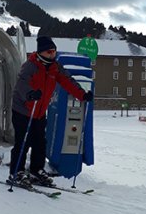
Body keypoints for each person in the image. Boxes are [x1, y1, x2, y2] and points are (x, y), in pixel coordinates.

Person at [8, 36, 93, 186]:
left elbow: (68, 81)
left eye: (54, 51)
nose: (52, 54)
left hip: (40, 112)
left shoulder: (55, 67)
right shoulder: (30, 66)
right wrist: (30, 94)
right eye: (49, 51)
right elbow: (22, 84)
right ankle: (17, 172)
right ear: (41, 52)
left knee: (40, 142)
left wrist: (82, 94)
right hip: (23, 109)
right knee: (23, 142)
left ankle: (36, 170)